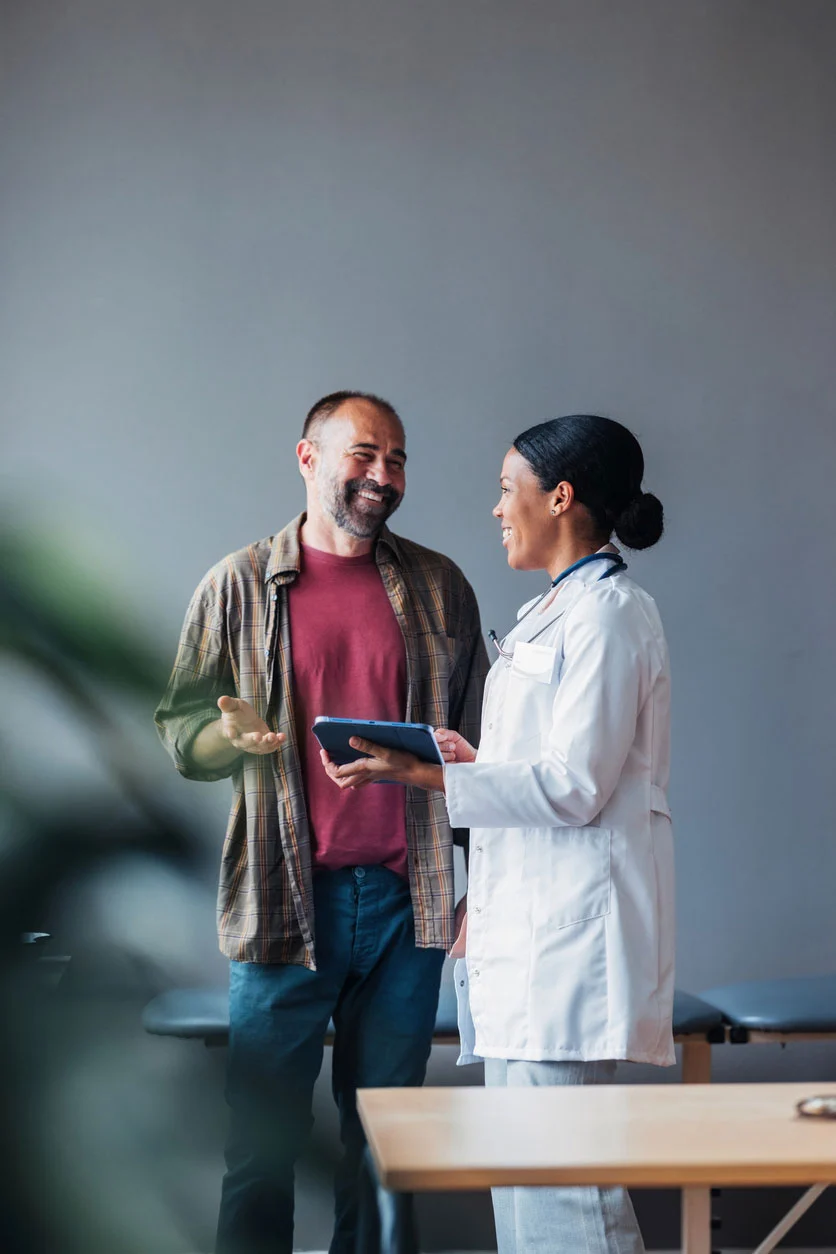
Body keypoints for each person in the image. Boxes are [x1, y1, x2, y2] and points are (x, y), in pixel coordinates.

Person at [323, 413, 674, 1254]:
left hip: (570, 953)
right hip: (526, 948)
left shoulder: (611, 617)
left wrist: (433, 776)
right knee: (527, 1195)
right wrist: (471, 759)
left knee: (570, 1201)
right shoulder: (549, 614)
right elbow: (546, 770)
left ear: (561, 497)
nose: (495, 509)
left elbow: (578, 786)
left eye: (506, 489)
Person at [155, 390, 489, 1254]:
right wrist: (222, 739)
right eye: (364, 455)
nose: (384, 476)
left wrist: (477, 885)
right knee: (260, 1151)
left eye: (399, 459)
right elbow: (180, 736)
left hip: (407, 907)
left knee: (385, 1149)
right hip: (280, 900)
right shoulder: (235, 586)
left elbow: (485, 750)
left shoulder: (442, 587)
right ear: (308, 459)